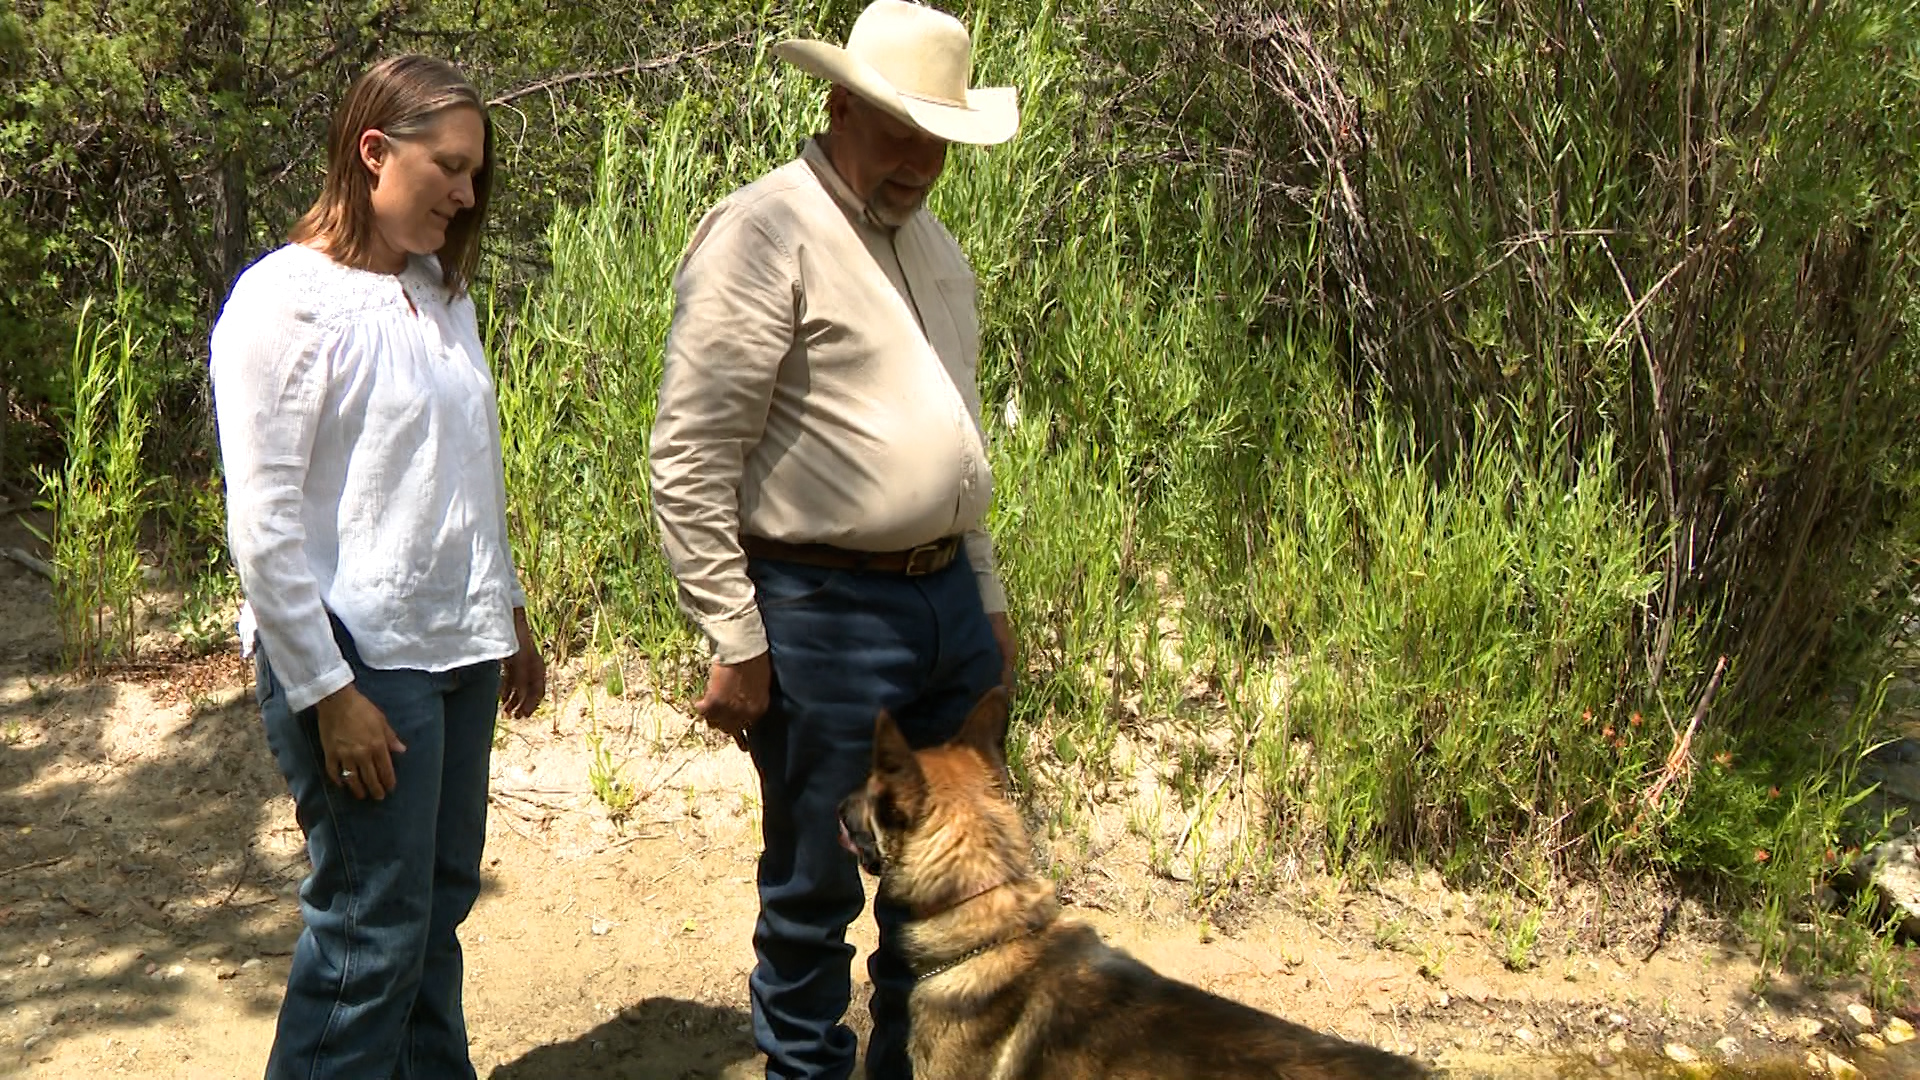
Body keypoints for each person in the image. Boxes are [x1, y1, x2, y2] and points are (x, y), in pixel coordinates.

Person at [648, 3, 1020, 1078]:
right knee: (815, 890)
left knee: (942, 880)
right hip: (820, 611)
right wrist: (733, 631)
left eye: (937, 138)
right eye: (900, 130)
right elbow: (693, 452)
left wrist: (982, 592)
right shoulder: (766, 230)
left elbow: (958, 433)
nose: (920, 160)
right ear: (838, 105)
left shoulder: (933, 248)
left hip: (943, 600)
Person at [209, 54, 545, 1080]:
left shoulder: (440, 294)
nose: (466, 192)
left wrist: (511, 614)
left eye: (475, 172)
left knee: (434, 914)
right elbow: (263, 526)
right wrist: (327, 692)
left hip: (455, 650)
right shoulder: (285, 302)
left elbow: (459, 480)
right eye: (448, 166)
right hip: (359, 660)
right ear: (372, 152)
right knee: (370, 933)